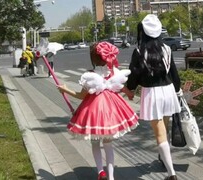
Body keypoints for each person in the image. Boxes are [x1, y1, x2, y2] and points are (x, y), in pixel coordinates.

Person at [57, 41, 139, 180]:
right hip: (111, 108)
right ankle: (111, 177)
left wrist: (64, 89)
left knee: (95, 141)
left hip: (93, 109)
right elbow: (120, 87)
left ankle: (100, 172)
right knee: (108, 144)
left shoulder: (89, 75)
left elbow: (81, 96)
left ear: (93, 58)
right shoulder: (114, 72)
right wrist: (130, 94)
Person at [126, 14, 181, 180]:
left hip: (152, 94)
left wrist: (129, 89)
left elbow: (133, 76)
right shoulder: (167, 49)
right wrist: (177, 91)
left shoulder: (139, 51)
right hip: (168, 91)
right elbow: (174, 75)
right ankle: (163, 157)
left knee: (160, 134)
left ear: (143, 32)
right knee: (164, 129)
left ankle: (171, 174)